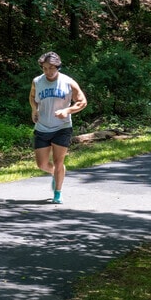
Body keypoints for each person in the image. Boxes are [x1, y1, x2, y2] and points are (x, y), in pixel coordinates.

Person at [29, 51, 87, 204]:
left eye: (51, 68)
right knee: (41, 164)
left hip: (62, 127)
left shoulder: (68, 82)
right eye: (45, 68)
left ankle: (58, 192)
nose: (48, 71)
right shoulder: (37, 81)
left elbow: (82, 102)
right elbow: (32, 97)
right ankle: (57, 173)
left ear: (58, 67)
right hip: (42, 126)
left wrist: (67, 110)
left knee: (58, 161)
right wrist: (34, 110)